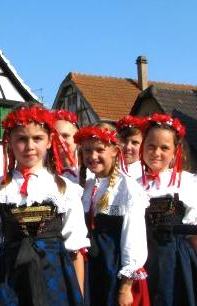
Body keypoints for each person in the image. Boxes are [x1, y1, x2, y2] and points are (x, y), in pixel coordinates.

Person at [0, 105, 90, 306]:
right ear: (10, 143)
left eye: (37, 138)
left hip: (54, 276)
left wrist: (78, 297)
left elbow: (75, 249)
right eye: (22, 139)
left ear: (50, 141)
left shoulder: (64, 189)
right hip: (9, 278)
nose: (29, 146)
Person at [75, 125, 150, 306]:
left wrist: (125, 287)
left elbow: (133, 238)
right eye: (87, 150)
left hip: (113, 267)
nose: (93, 156)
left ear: (115, 151)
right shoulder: (87, 186)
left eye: (100, 149)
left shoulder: (128, 189)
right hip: (91, 266)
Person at [139, 113, 197, 306]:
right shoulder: (132, 185)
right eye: (151, 146)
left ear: (175, 152)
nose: (156, 153)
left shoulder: (186, 183)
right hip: (143, 258)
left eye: (164, 148)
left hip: (174, 259)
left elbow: (194, 230)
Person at [116, 115, 147, 179]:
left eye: (135, 143)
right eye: (124, 141)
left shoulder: (146, 175)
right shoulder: (106, 170)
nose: (128, 147)